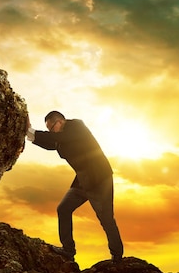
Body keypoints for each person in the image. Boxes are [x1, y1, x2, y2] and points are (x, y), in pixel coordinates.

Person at [26, 111, 123, 263]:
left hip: (99, 179)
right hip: (83, 180)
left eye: (52, 128)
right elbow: (49, 142)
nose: (51, 131)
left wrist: (32, 132)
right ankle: (68, 250)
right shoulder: (59, 138)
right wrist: (28, 132)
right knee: (63, 209)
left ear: (60, 121)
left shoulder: (76, 126)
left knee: (106, 219)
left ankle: (117, 256)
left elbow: (57, 138)